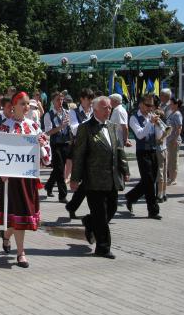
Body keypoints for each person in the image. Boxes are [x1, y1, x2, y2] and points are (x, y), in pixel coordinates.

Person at [0, 91, 50, 268]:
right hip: (11, 180)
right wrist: (0, 171)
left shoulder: (33, 126)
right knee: (16, 214)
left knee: (21, 215)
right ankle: (21, 253)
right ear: (14, 106)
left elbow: (46, 151)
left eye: (28, 104)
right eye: (23, 104)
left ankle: (7, 236)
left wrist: (41, 147)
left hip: (27, 178)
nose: (26, 108)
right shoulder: (4, 127)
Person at [71, 95, 129, 259]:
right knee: (101, 215)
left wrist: (125, 169)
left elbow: (119, 149)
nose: (108, 110)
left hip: (111, 178)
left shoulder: (112, 126)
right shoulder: (85, 128)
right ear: (95, 109)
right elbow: (79, 155)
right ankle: (103, 247)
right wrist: (75, 178)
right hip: (94, 179)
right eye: (105, 108)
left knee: (112, 209)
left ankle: (90, 222)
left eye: (110, 107)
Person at [125, 93, 162, 219]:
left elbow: (157, 136)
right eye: (147, 105)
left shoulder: (150, 116)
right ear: (140, 104)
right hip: (142, 152)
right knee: (149, 182)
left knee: (149, 180)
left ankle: (131, 196)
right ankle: (153, 210)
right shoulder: (134, 118)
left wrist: (159, 128)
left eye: (151, 105)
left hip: (153, 150)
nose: (150, 108)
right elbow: (140, 135)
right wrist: (150, 123)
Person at [65, 88, 94, 219]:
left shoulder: (94, 111)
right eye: (88, 99)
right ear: (82, 99)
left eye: (92, 99)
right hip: (80, 150)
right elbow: (75, 129)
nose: (90, 102)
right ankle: (73, 206)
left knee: (89, 181)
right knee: (86, 181)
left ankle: (72, 206)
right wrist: (91, 123)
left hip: (93, 149)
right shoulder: (73, 112)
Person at [43, 92, 71, 203]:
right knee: (60, 170)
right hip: (55, 144)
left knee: (58, 168)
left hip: (66, 143)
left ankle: (49, 186)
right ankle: (62, 195)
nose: (60, 102)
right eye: (58, 100)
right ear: (52, 101)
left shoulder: (67, 113)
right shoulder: (48, 115)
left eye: (62, 99)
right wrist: (61, 126)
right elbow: (48, 132)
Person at [166, 98, 183, 186]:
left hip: (174, 140)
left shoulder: (177, 114)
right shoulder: (171, 113)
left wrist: (175, 139)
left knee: (174, 160)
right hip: (169, 139)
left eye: (172, 104)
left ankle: (173, 179)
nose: (170, 105)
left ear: (176, 105)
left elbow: (179, 127)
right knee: (170, 160)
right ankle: (170, 177)